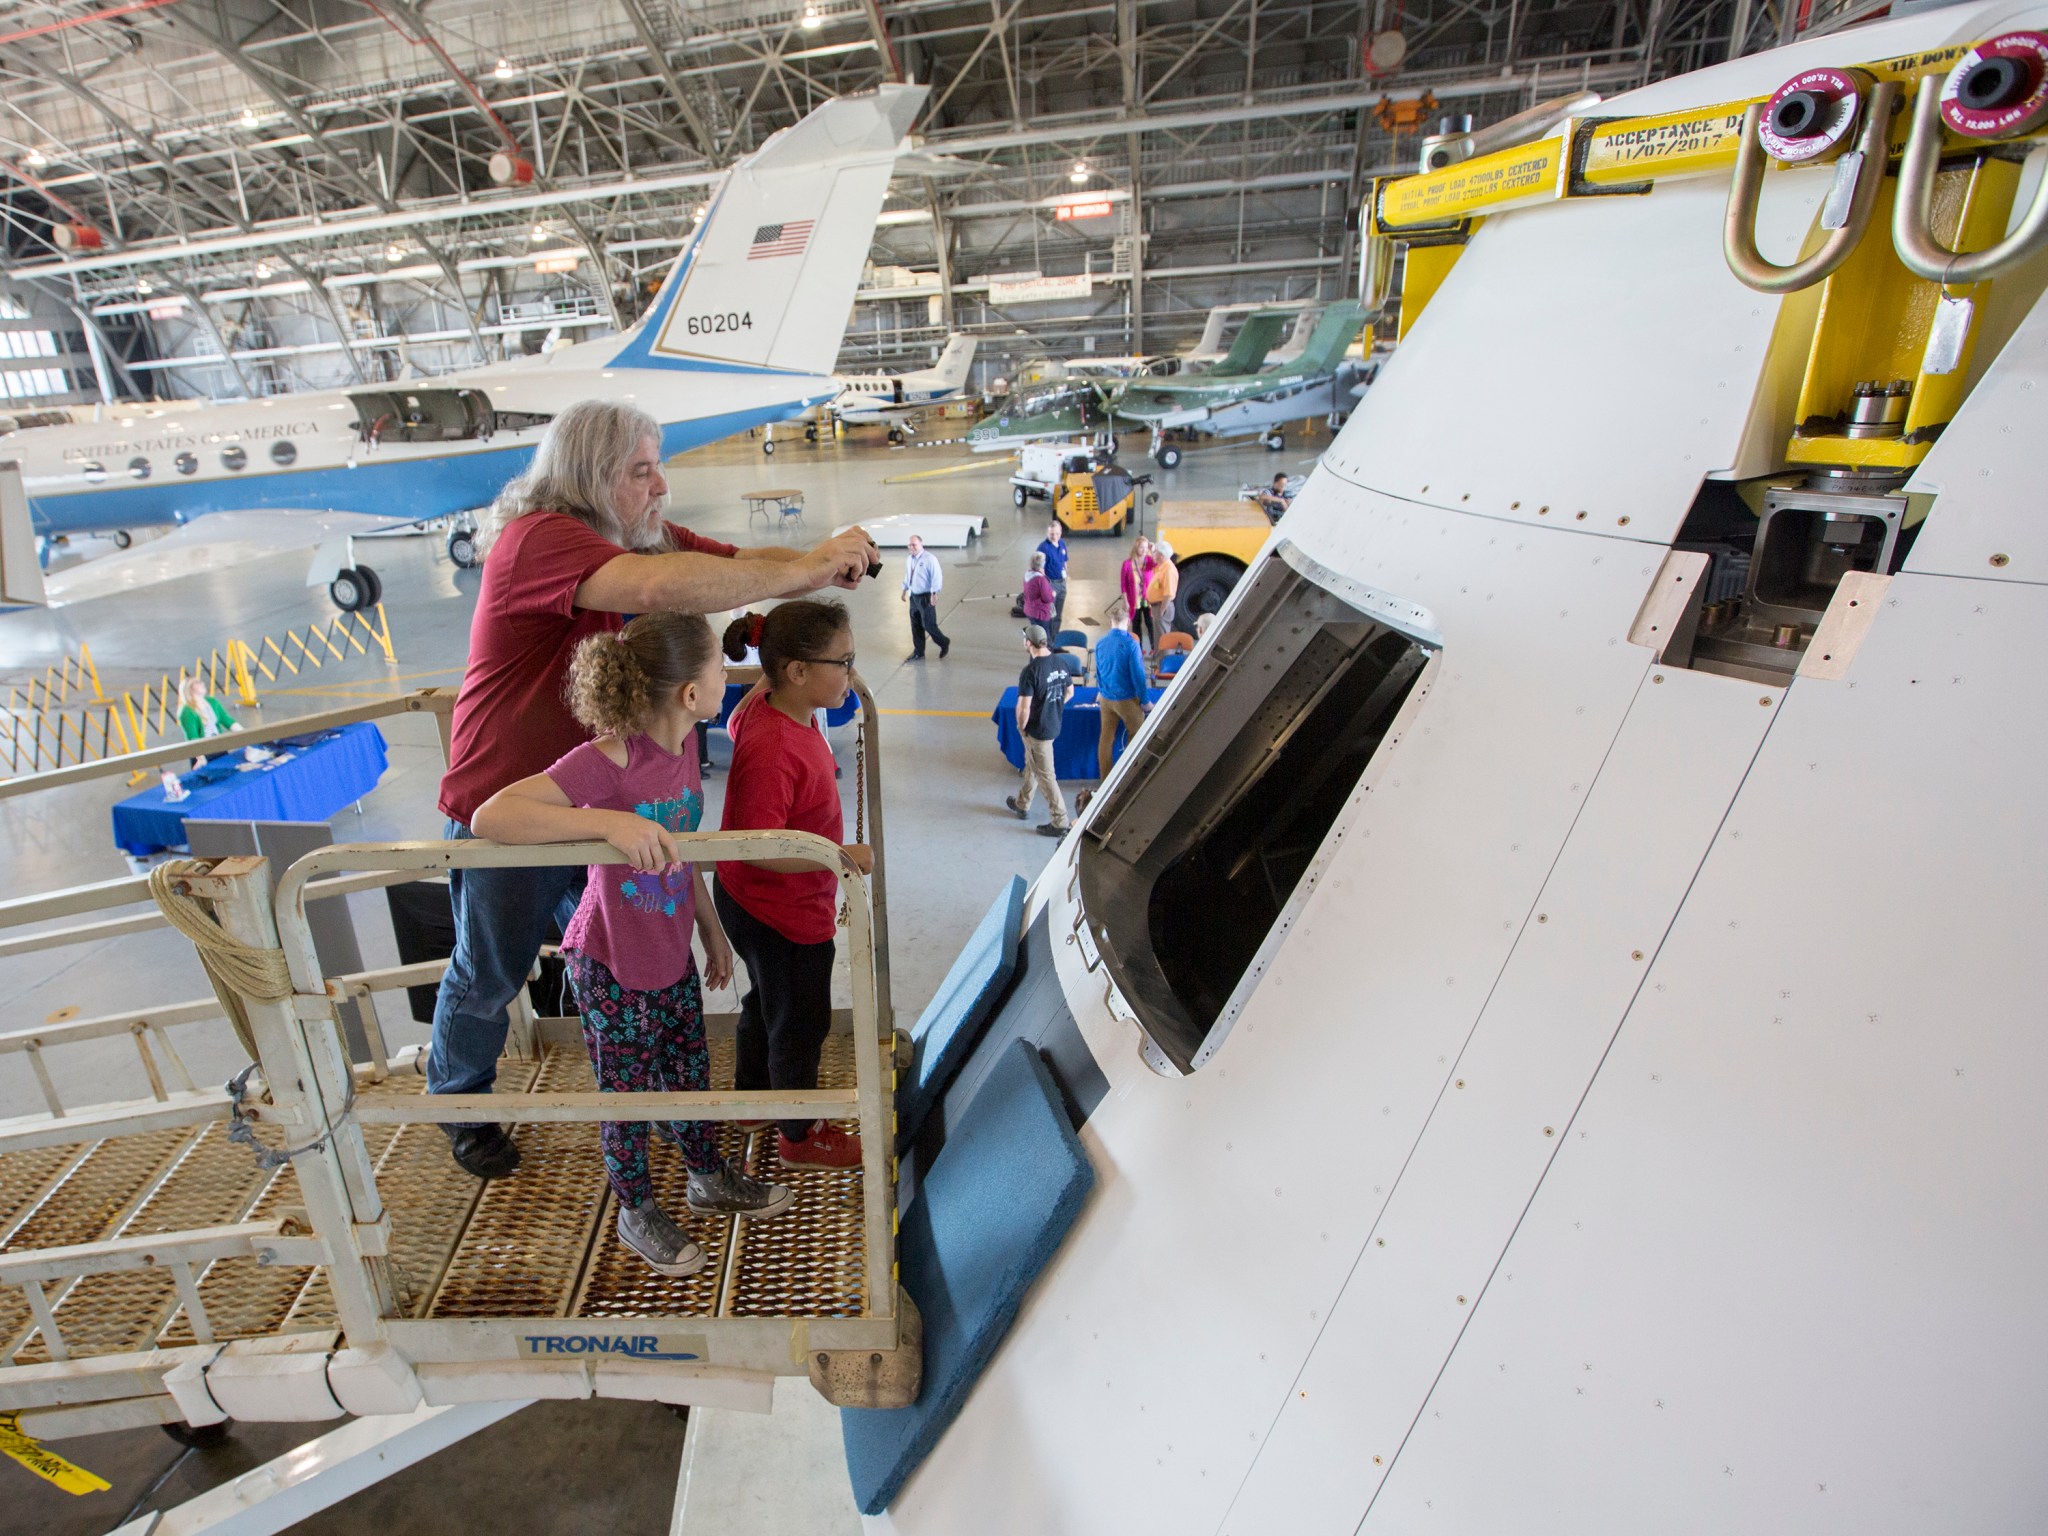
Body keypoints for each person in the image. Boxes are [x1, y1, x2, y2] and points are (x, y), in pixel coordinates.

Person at [430, 399, 877, 1181]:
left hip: (606, 802)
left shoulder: (631, 535)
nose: (659, 487)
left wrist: (815, 557)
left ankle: (655, 1107)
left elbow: (734, 561)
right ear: (592, 477)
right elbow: (659, 590)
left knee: (628, 964)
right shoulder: (539, 541)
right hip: (515, 806)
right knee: (491, 969)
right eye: (641, 471)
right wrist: (808, 568)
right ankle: (460, 1101)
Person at [471, 613, 792, 1277]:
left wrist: (709, 927)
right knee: (627, 1095)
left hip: (670, 946)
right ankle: (636, 1208)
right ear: (688, 692)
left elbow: (683, 848)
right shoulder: (612, 757)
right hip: (610, 960)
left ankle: (706, 1176)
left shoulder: (687, 747)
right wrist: (611, 821)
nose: (723, 679)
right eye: (714, 670)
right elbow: (491, 816)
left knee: (689, 1074)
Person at [715, 602, 872, 1171]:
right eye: (844, 661)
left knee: (767, 1002)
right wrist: (839, 857)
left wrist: (768, 642)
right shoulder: (776, 749)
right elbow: (759, 843)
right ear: (799, 672)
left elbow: (755, 695)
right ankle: (799, 1136)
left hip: (752, 904)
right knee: (802, 1023)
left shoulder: (767, 707)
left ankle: (755, 1097)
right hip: (778, 913)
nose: (852, 673)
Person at [1005, 624, 1071, 838]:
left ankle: (1060, 821)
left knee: (1046, 775)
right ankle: (1022, 804)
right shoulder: (1060, 662)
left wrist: (1021, 727)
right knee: (1032, 764)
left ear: (1028, 643)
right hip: (1053, 724)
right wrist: (1055, 705)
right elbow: (1069, 691)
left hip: (1037, 730)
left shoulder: (1031, 671)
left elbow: (1024, 707)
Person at [1094, 601, 1148, 781]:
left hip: (1106, 698)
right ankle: (1128, 777)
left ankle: (1105, 779)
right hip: (1127, 700)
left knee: (1106, 739)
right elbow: (1138, 677)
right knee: (1137, 734)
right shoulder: (1131, 645)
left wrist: (1101, 690)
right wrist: (1144, 700)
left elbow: (1099, 671)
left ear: (1111, 622)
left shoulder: (1100, 644)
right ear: (1128, 622)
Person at [900, 534, 950, 660]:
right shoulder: (909, 559)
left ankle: (943, 642)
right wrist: (904, 589)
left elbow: (936, 576)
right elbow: (908, 575)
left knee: (929, 624)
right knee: (916, 625)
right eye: (910, 545)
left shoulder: (929, 559)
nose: (912, 547)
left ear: (921, 544)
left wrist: (934, 593)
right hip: (913, 596)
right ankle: (919, 652)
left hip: (926, 597)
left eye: (914, 545)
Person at [1119, 535, 1157, 652]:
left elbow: (1158, 563)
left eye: (1146, 548)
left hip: (1148, 599)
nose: (1144, 550)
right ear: (1136, 548)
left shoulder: (1149, 561)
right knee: (1136, 625)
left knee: (1150, 623)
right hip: (1134, 600)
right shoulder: (1127, 564)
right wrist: (1125, 601)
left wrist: (1153, 550)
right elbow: (1123, 585)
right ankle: (1138, 649)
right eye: (1142, 548)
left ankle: (1154, 647)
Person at [176, 676, 235, 743]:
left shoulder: (212, 702)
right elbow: (193, 738)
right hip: (205, 749)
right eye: (197, 683)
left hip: (219, 745)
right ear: (189, 689)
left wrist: (246, 737)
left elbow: (228, 721)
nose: (202, 684)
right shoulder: (186, 712)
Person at [1035, 522, 1070, 632]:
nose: (1054, 537)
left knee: (1058, 615)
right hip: (1051, 584)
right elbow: (1040, 569)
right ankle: (1048, 642)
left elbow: (1064, 561)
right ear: (1047, 533)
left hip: (1061, 583)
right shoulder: (1043, 548)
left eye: (1057, 534)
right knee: (1050, 615)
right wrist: (1046, 587)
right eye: (1052, 534)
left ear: (1060, 533)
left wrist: (1066, 578)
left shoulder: (1062, 544)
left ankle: (1055, 641)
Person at [1147, 539, 1180, 643]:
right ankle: (1159, 658)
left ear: (1161, 555)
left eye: (1155, 552)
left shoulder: (1168, 570)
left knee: (1162, 640)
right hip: (1158, 606)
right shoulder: (1162, 566)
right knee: (1159, 638)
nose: (1153, 554)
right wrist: (1151, 550)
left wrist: (1161, 611)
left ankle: (1163, 659)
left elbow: (1168, 594)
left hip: (1162, 607)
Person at [1020, 551, 1057, 629]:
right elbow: (1047, 598)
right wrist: (1053, 594)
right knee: (1044, 636)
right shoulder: (1040, 579)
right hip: (1040, 613)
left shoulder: (1027, 574)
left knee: (1036, 634)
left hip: (1029, 610)